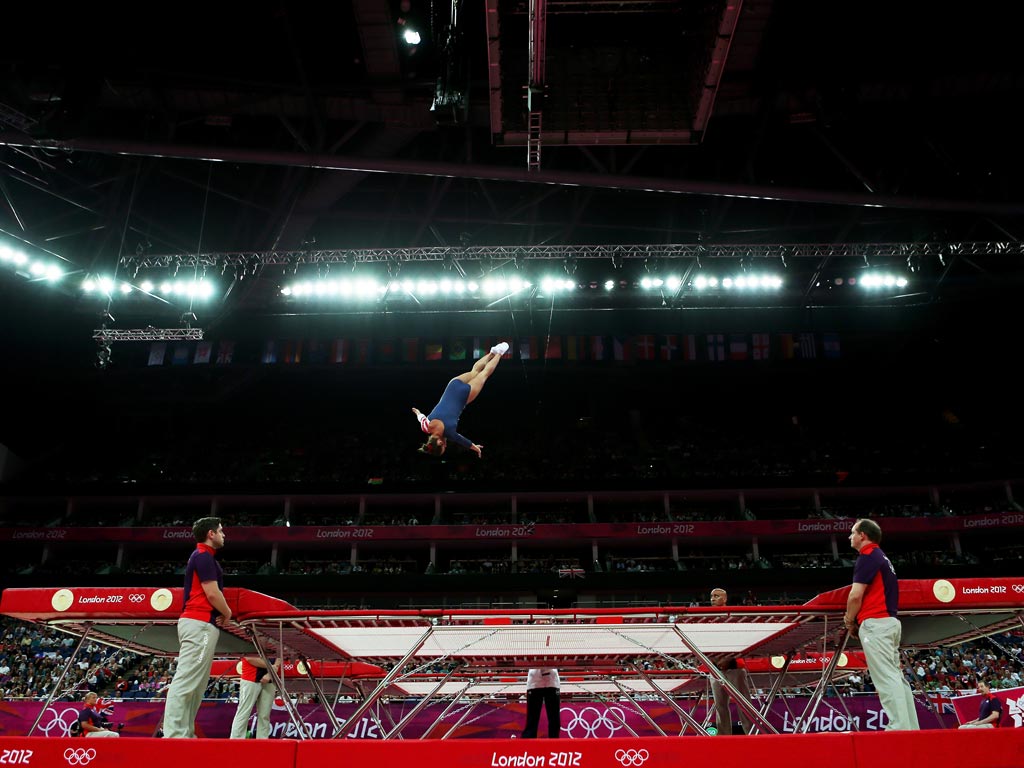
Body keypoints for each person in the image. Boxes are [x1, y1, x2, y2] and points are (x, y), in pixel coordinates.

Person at [843, 518, 920, 731]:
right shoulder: (883, 558)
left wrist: (849, 620)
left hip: (876, 623)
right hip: (889, 623)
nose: (850, 537)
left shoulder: (867, 556)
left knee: (886, 678)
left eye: (852, 533)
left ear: (863, 536)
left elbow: (855, 596)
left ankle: (899, 727)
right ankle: (909, 727)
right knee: (896, 677)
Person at [162, 517, 231, 738]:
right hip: (198, 624)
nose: (224, 535)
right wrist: (227, 612)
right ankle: (174, 735)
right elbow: (211, 593)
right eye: (221, 531)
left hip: (200, 623)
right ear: (210, 534)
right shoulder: (202, 556)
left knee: (197, 684)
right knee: (187, 680)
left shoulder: (205, 557)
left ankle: (184, 733)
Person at [412, 342, 508, 457]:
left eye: (443, 447)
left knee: (484, 374)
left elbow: (463, 441)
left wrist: (476, 448)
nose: (446, 445)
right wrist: (417, 411)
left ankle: (500, 353)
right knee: (474, 371)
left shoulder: (449, 433)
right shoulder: (426, 426)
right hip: (452, 386)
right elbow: (420, 417)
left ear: (439, 442)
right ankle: (492, 352)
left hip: (463, 395)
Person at [708, 588, 755, 735]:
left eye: (716, 596)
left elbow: (740, 640)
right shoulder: (706, 618)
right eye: (711, 596)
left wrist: (728, 659)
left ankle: (752, 734)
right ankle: (723, 737)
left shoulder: (733, 616)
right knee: (720, 705)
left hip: (734, 665)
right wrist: (714, 661)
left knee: (743, 703)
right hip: (715, 667)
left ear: (725, 599)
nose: (713, 599)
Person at [229, 656, 280, 739]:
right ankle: (236, 740)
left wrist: (272, 670)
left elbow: (280, 654)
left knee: (265, 714)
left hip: (270, 677)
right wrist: (272, 668)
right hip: (250, 677)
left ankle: (263, 741)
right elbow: (249, 658)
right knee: (244, 711)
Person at [522, 667, 561, 738]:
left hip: (552, 681)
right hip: (534, 682)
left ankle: (555, 745)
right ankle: (529, 746)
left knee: (554, 720)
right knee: (532, 720)